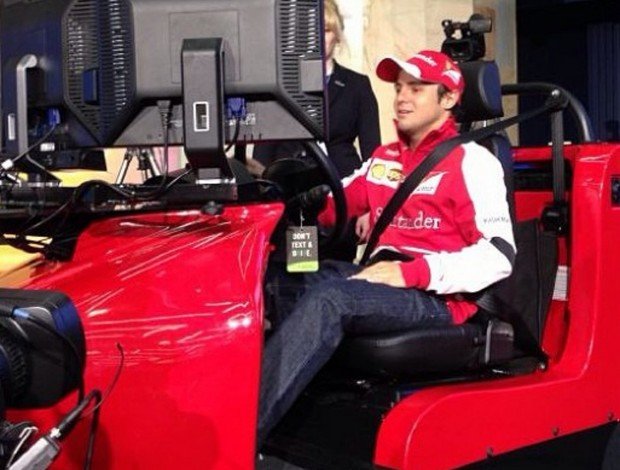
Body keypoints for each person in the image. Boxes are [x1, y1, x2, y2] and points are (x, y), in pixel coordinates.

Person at [258, 50, 515, 443]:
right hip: (378, 280)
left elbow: (498, 256)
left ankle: (239, 437)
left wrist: (409, 272)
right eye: (398, 88)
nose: (401, 98)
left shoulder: (472, 162)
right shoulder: (383, 159)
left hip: (435, 298)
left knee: (332, 299)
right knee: (272, 282)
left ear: (448, 98)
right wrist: (301, 204)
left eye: (416, 88)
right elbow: (338, 203)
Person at [251, 0, 381, 179]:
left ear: (337, 35)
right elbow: (262, 155)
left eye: (326, 30)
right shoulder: (278, 86)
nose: (317, 37)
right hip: (289, 183)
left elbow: (373, 154)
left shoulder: (357, 85)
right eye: (310, 30)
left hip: (342, 182)